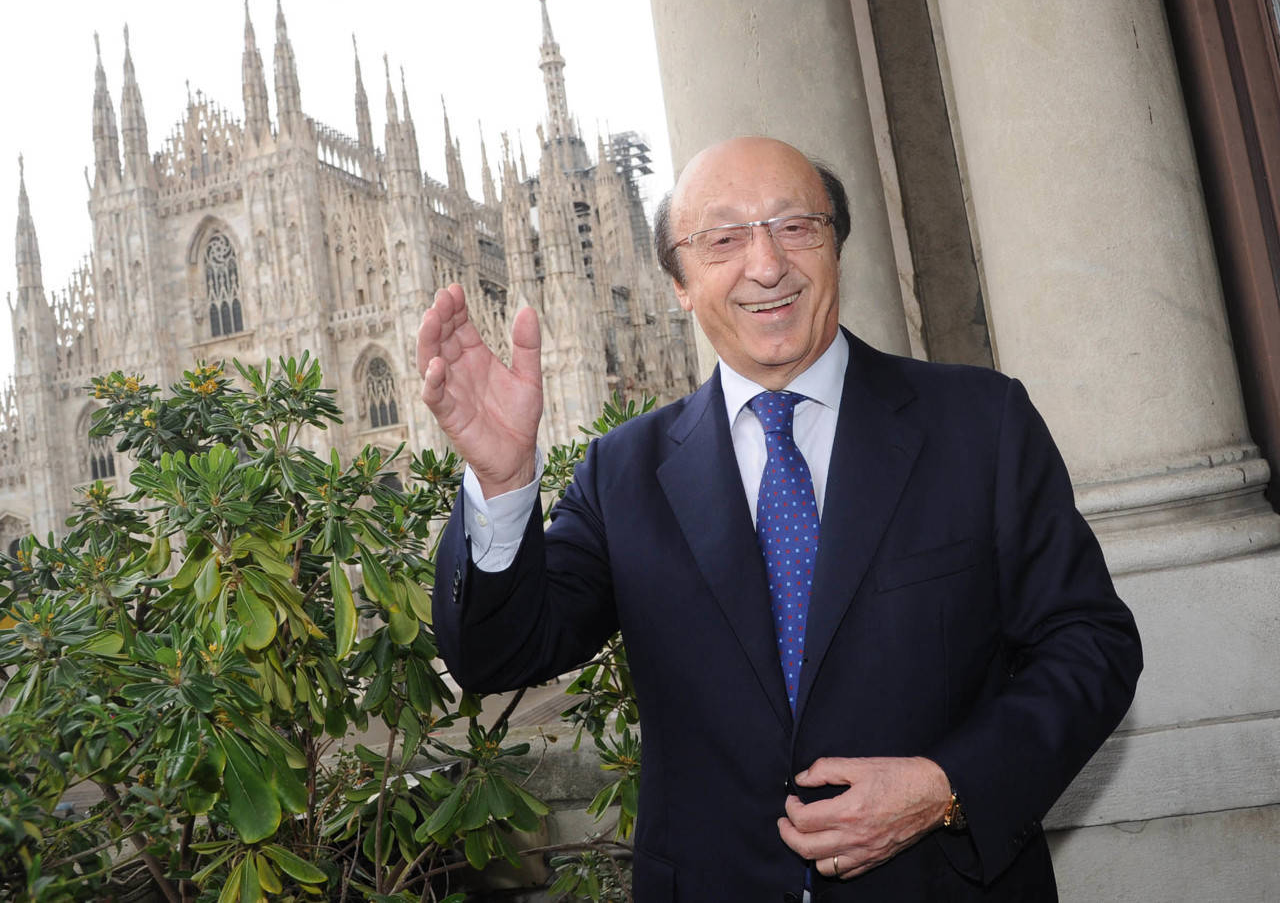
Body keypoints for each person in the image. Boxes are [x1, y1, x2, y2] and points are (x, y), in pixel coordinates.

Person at [417, 136, 1141, 901]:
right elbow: (500, 654)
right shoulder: (623, 473)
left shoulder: (979, 424)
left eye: (796, 226)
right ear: (679, 283)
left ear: (836, 247)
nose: (767, 265)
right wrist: (502, 483)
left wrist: (945, 786)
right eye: (722, 239)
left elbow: (1090, 646)